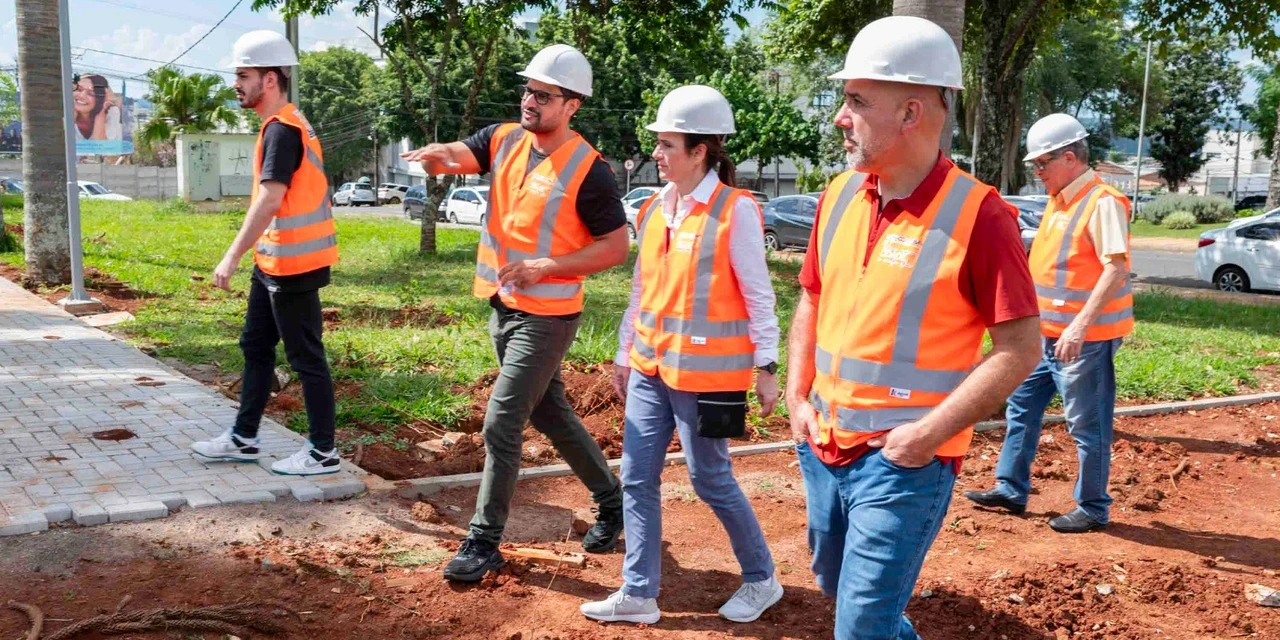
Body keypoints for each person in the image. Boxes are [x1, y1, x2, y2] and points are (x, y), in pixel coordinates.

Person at [783, 16, 1043, 639]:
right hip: (822, 446)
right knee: (834, 584)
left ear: (911, 112)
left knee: (862, 625)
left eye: (855, 102)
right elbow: (811, 301)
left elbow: (1021, 349)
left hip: (904, 465)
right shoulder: (839, 196)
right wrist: (797, 397)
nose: (840, 118)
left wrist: (924, 437)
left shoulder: (981, 216)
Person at [400, 44, 629, 583]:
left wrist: (546, 266)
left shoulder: (590, 170)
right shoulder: (504, 138)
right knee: (550, 414)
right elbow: (461, 154)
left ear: (571, 105)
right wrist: (436, 154)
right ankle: (612, 499)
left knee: (502, 421)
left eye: (543, 95)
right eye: (527, 89)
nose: (530, 99)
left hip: (548, 317)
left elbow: (616, 248)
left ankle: (483, 540)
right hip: (503, 307)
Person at [579, 85, 783, 625]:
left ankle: (762, 579)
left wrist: (767, 367)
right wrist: (624, 354)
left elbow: (760, 295)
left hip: (711, 375)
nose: (658, 155)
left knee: (710, 479)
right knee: (638, 479)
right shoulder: (652, 207)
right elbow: (642, 290)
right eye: (658, 145)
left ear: (701, 151)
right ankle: (638, 592)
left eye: (669, 145)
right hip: (650, 366)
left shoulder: (734, 211)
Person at [964, 113, 1133, 534]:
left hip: (1084, 341)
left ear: (1070, 159)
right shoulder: (1060, 204)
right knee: (1021, 407)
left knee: (1086, 424)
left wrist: (1078, 326)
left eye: (1042, 164)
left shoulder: (1102, 201)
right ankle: (1010, 488)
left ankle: (1093, 507)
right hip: (1044, 337)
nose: (1037, 173)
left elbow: (1115, 269)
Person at [190, 30, 341, 477]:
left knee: (305, 358)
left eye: (243, 75)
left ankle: (322, 452)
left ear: (270, 78)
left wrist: (230, 255)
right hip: (273, 260)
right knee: (256, 346)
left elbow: (270, 198)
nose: (236, 83)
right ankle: (244, 436)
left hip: (293, 263)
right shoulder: (282, 124)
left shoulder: (283, 130)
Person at [72, 74, 121, 141]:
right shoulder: (63, 110)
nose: (81, 96)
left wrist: (102, 111)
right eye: (79, 89)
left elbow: (101, 146)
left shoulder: (111, 111)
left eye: (90, 93)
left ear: (101, 99)